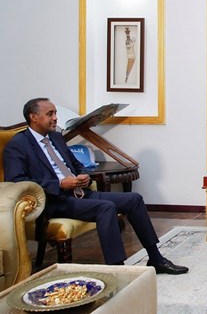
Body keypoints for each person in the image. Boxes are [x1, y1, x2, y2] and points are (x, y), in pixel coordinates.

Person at [3, 98, 188, 275]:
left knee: (134, 199)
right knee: (106, 208)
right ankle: (118, 269)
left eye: (55, 113)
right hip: (54, 201)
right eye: (50, 114)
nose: (55, 118)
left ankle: (156, 259)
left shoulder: (56, 138)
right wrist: (59, 184)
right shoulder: (18, 145)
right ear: (33, 117)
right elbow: (17, 181)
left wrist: (83, 175)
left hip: (79, 192)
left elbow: (76, 164)